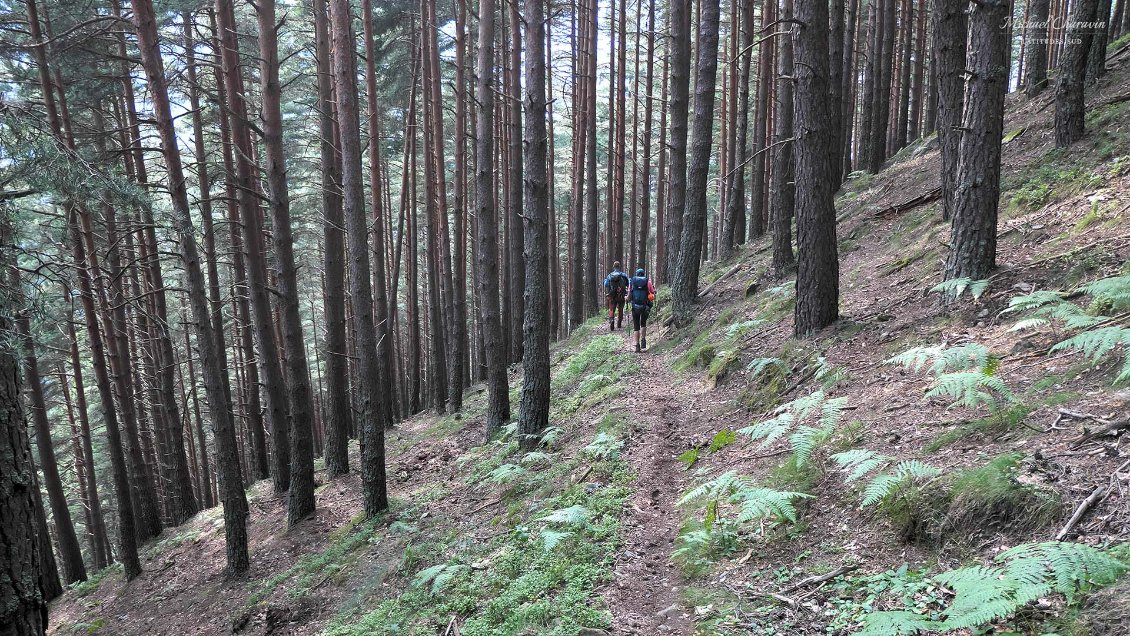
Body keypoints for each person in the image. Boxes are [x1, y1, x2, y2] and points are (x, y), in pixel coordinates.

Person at [625, 268, 656, 352]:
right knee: (643, 323)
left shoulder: (632, 282)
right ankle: (643, 340)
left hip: (635, 307)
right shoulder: (648, 282)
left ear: (637, 274)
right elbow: (652, 295)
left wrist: (626, 298)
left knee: (636, 326)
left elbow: (629, 296)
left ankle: (637, 346)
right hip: (645, 306)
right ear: (643, 274)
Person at [603, 261, 630, 331]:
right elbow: (628, 284)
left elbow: (606, 284)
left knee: (612, 309)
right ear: (619, 266)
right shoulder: (623, 275)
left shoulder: (610, 275)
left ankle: (612, 322)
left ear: (613, 267)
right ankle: (619, 324)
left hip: (612, 295)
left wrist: (605, 280)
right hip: (621, 295)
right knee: (620, 309)